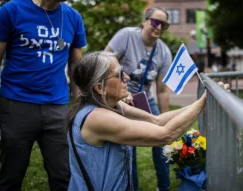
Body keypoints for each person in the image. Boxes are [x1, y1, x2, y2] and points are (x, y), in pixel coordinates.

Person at [0, 0, 87, 190]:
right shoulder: (11, 11)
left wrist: (79, 106)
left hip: (57, 107)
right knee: (11, 176)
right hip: (16, 104)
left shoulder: (74, 18)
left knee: (63, 176)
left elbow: (76, 67)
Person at [66, 51, 209, 191]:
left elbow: (156, 121)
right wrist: (203, 102)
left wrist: (200, 102)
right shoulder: (96, 118)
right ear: (99, 88)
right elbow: (165, 135)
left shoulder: (112, 104)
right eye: (119, 75)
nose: (127, 77)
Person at [105, 7, 172, 191]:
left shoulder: (164, 52)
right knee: (129, 146)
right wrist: (118, 94)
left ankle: (164, 187)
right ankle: (131, 187)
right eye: (156, 22)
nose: (159, 28)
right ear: (144, 21)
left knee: (162, 140)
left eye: (164, 25)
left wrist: (164, 121)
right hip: (120, 97)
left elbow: (162, 90)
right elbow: (105, 61)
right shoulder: (126, 35)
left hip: (144, 99)